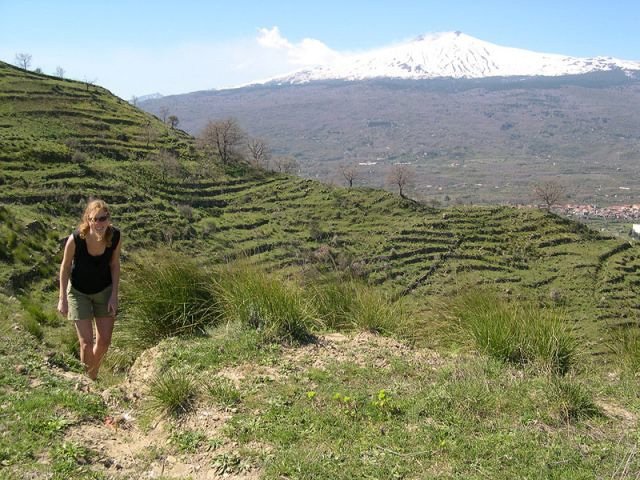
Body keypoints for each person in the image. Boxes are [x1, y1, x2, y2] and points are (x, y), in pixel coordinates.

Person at [58, 199, 121, 380]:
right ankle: (89, 382)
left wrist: (114, 295)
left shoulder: (115, 236)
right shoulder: (76, 239)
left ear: (108, 219)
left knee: (104, 342)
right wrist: (62, 298)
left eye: (103, 218)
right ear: (88, 220)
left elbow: (114, 265)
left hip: (104, 290)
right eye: (94, 219)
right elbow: (65, 267)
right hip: (79, 292)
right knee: (86, 344)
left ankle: (92, 374)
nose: (99, 223)